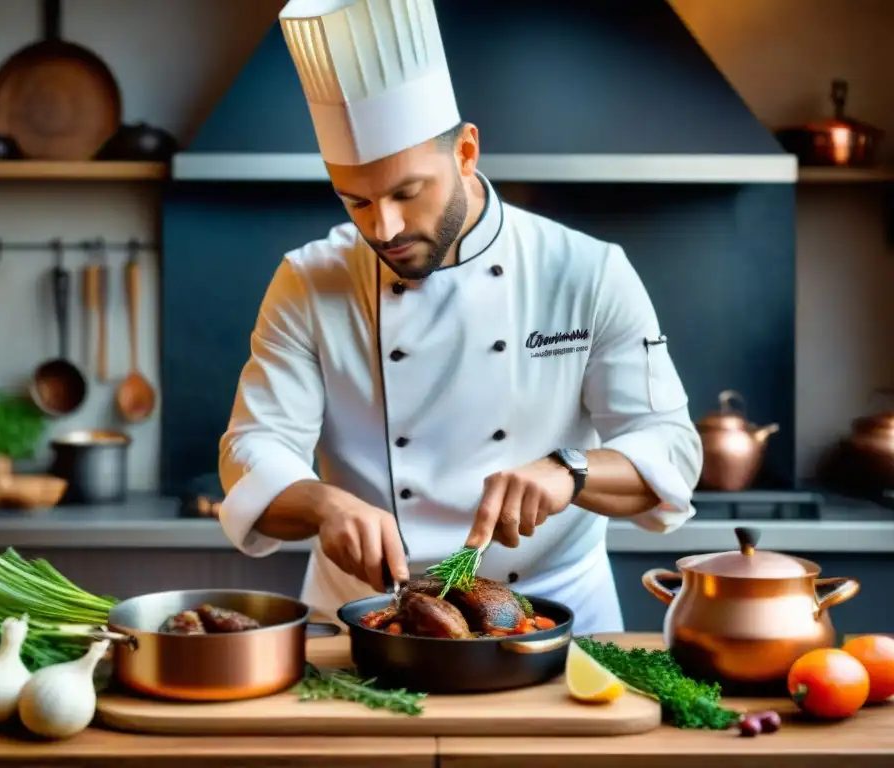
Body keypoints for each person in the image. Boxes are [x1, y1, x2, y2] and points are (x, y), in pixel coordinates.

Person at [216, 0, 702, 634]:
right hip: (363, 624)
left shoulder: (587, 271)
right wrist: (323, 505)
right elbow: (255, 447)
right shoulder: (308, 281)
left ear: (466, 152)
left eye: (405, 193)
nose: (382, 228)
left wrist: (571, 472)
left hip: (555, 622)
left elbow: (670, 447)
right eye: (355, 200)